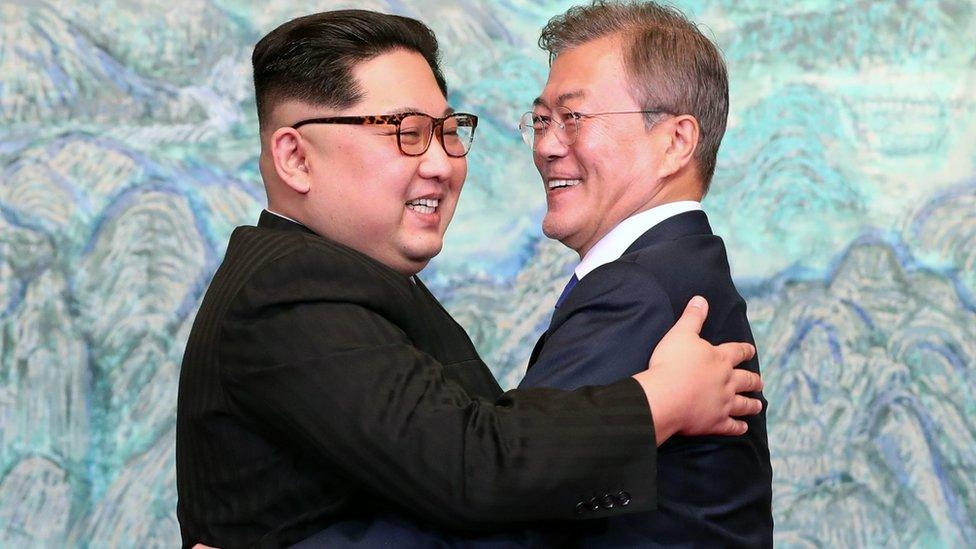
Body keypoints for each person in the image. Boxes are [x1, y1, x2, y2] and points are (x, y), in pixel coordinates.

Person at [175, 9, 764, 548]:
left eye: (447, 130)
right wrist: (660, 400)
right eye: (405, 131)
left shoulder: (641, 286)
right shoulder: (291, 286)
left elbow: (492, 486)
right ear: (296, 158)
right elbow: (490, 478)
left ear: (676, 141)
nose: (442, 162)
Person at [516, 1, 774, 546]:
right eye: (541, 120)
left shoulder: (639, 288)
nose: (546, 146)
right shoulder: (680, 269)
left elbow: (511, 477)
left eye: (573, 118)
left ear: (676, 141)